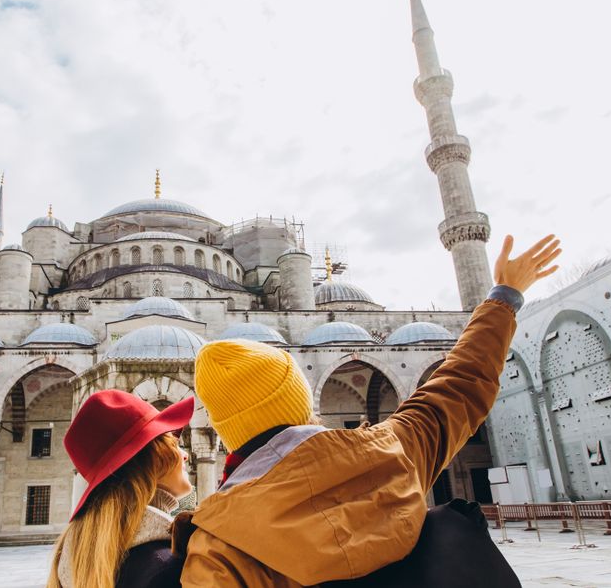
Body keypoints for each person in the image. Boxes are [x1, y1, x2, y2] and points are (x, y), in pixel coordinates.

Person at [178, 234, 561, 586]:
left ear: (224, 427)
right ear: (298, 401)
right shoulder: (391, 452)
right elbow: (460, 385)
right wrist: (504, 297)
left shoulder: (218, 546)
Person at [47, 389, 194, 588]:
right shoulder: (165, 569)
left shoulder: (73, 565)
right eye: (174, 444)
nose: (184, 455)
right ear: (155, 458)